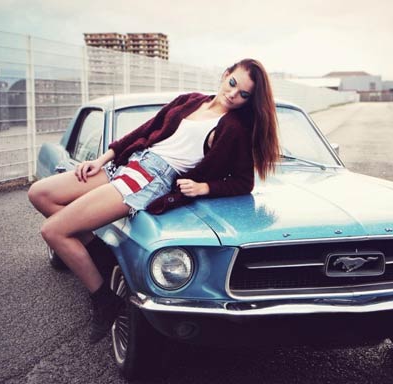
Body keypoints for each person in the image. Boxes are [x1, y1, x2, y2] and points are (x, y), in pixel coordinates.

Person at [28, 58, 280, 343]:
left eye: (243, 94)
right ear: (225, 75)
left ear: (249, 100)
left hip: (150, 178)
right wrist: (101, 160)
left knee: (53, 231)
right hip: (128, 163)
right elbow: (145, 131)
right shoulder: (190, 100)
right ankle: (99, 255)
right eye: (232, 83)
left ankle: (104, 299)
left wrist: (204, 187)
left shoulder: (233, 128)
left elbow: (244, 182)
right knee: (40, 194)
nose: (233, 94)